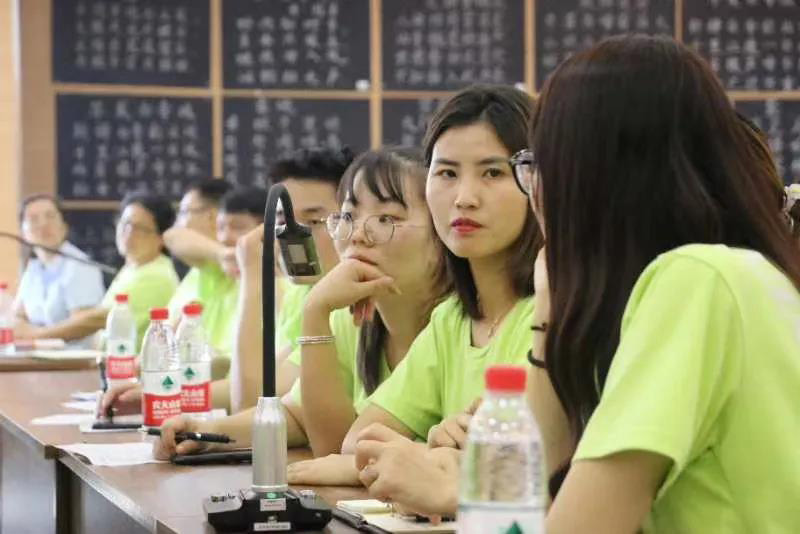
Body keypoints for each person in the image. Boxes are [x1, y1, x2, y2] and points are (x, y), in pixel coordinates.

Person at [356, 36, 800, 534]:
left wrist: (462, 491)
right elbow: (535, 491)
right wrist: (551, 311)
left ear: (591, 172)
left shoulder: (699, 282)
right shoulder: (728, 274)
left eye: (533, 164)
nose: (536, 189)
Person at [152, 148, 447, 488]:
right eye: (348, 217)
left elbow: (333, 448)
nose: (357, 234)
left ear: (443, 232)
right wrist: (209, 432)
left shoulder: (454, 326)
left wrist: (315, 311)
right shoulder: (350, 318)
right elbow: (297, 413)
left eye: (386, 219)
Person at [340, 84, 541, 453]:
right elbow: (358, 442)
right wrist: (433, 449)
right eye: (447, 173)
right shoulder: (451, 320)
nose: (464, 198)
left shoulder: (551, 312)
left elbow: (508, 457)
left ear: (537, 180)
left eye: (492, 173)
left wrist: (427, 454)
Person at [100, 186, 266, 415]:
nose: (224, 237)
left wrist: (161, 395)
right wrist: (223, 255)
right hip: (195, 406)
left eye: (186, 212)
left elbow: (240, 381)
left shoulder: (271, 286)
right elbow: (173, 236)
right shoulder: (212, 268)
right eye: (221, 227)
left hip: (220, 412)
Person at [229, 147, 353, 412]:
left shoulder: (347, 304)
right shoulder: (304, 291)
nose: (294, 238)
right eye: (283, 221)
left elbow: (253, 402)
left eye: (314, 221)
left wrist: (253, 277)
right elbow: (255, 385)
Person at [13, 194, 105, 347]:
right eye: (33, 219)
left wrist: (36, 335)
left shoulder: (80, 265)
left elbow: (83, 324)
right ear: (23, 234)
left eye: (50, 216)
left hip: (73, 357)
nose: (43, 224)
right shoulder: (33, 268)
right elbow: (18, 316)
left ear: (64, 227)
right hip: (36, 355)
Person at [165, 178, 233, 324]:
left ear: (212, 216)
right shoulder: (201, 265)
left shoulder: (232, 272)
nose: (177, 222)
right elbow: (171, 236)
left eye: (183, 212)